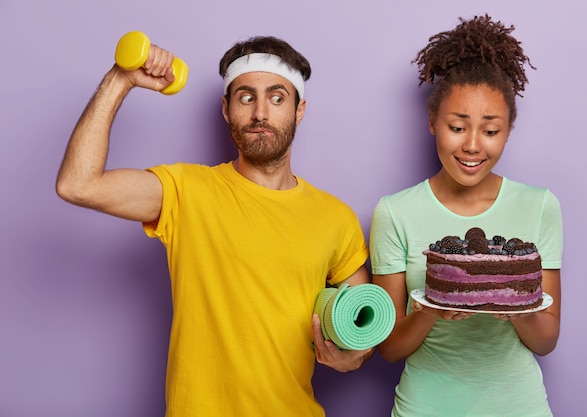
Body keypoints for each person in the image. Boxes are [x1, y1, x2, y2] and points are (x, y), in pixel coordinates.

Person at [56, 35, 374, 416]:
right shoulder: (186, 191)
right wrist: (120, 79)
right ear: (226, 109)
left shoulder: (335, 217)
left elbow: (363, 331)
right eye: (245, 97)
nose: (260, 113)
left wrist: (349, 359)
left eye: (277, 98)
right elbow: (77, 184)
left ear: (299, 109)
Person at [370, 15, 562, 416]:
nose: (472, 145)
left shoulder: (540, 205)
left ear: (508, 131)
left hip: (519, 405)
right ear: (432, 123)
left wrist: (507, 302)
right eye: (457, 126)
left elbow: (547, 339)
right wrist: (434, 307)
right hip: (426, 405)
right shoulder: (394, 212)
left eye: (490, 131)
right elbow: (389, 348)